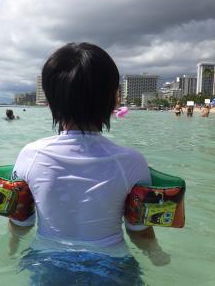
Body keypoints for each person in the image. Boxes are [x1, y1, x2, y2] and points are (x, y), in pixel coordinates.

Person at [11, 42, 162, 284]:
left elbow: (21, 223)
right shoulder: (131, 161)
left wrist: (11, 249)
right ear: (114, 101)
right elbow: (139, 232)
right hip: (113, 267)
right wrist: (158, 256)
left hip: (49, 264)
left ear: (50, 101)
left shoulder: (31, 155)